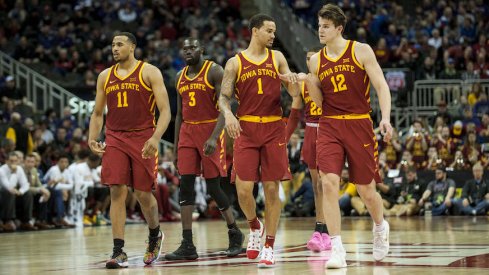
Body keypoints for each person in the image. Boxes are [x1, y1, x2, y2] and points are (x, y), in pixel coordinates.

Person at [304, 4, 393, 269]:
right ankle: (337, 248)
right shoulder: (316, 60)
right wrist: (310, 83)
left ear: (339, 28)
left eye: (326, 26)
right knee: (328, 182)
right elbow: (319, 102)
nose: (321, 30)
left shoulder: (360, 50)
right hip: (329, 125)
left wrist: (385, 118)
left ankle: (380, 225)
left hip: (359, 123)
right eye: (319, 25)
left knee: (366, 189)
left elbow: (381, 85)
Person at [219, 14, 301, 268]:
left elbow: (294, 92)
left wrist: (293, 82)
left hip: (273, 127)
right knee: (243, 190)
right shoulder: (235, 63)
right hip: (246, 128)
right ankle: (255, 225)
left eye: (274, 31)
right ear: (255, 31)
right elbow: (223, 98)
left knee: (272, 189)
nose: (273, 35)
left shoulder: (277, 58)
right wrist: (229, 114)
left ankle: (269, 245)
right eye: (269, 30)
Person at [88, 32, 171, 269]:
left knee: (143, 193)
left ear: (132, 47)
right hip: (115, 137)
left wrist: (156, 138)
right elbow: (97, 113)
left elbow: (165, 111)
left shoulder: (150, 72)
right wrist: (92, 138)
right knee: (116, 190)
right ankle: (118, 251)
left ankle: (155, 235)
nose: (115, 48)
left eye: (120, 44)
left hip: (144, 136)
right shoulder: (105, 76)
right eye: (113, 44)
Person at [165, 38, 244, 261]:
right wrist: (176, 145)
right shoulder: (180, 76)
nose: (188, 51)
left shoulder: (214, 71)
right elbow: (179, 114)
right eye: (185, 48)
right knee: (185, 185)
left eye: (192, 48)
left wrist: (213, 136)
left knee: (213, 187)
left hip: (210, 129)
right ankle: (187, 243)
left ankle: (234, 232)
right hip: (187, 132)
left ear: (202, 50)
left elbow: (225, 105)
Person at [286, 48, 331, 252]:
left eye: (313, 57)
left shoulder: (328, 80)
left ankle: (324, 229)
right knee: (316, 185)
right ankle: (321, 230)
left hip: (329, 130)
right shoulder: (303, 83)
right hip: (311, 131)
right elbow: (295, 114)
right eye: (307, 58)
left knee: (326, 182)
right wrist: (282, 140)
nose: (309, 61)